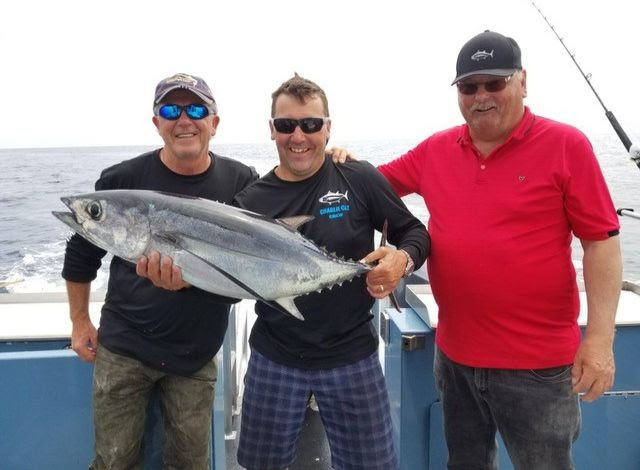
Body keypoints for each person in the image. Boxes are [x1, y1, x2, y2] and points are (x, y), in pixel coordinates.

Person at [141, 73, 431, 470]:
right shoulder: (250, 202)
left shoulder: (358, 177)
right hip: (275, 357)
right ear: (272, 130)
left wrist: (403, 261)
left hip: (352, 355)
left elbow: (414, 232)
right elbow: (228, 283)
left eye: (310, 124)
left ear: (327, 128)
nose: (298, 136)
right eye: (286, 124)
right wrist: (180, 282)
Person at [374, 31, 622, 469]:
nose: (481, 96)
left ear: (522, 81)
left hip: (539, 369)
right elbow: (370, 186)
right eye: (469, 87)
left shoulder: (567, 145)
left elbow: (600, 244)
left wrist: (600, 342)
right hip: (455, 359)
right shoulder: (436, 149)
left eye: (494, 83)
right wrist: (336, 160)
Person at [62, 72, 258, 469]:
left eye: (196, 110)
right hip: (123, 348)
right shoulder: (121, 181)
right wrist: (80, 321)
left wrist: (338, 160)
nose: (184, 120)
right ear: (156, 122)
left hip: (195, 353)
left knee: (190, 464)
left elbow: (260, 255)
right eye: (171, 110)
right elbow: (81, 255)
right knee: (113, 462)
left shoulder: (242, 181)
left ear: (214, 122)